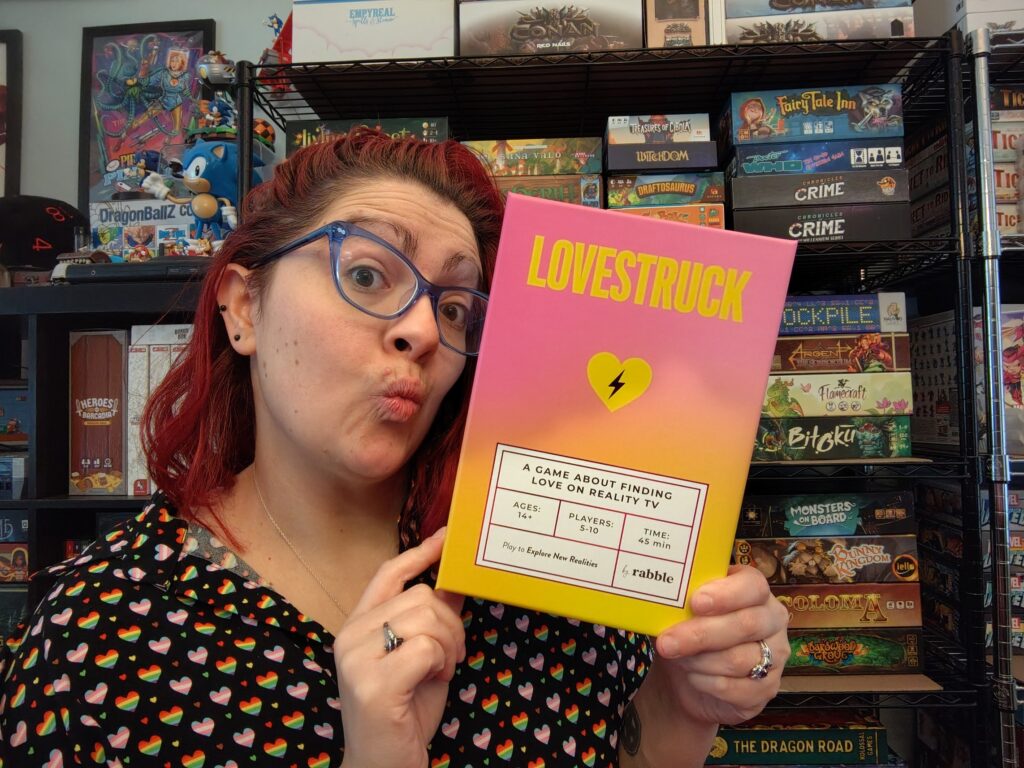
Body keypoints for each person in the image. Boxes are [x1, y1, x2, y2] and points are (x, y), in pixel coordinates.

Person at [0, 129, 789, 767]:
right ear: (243, 307)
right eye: (370, 275)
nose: (421, 330)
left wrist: (683, 704)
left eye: (454, 307)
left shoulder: (536, 567)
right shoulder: (95, 632)